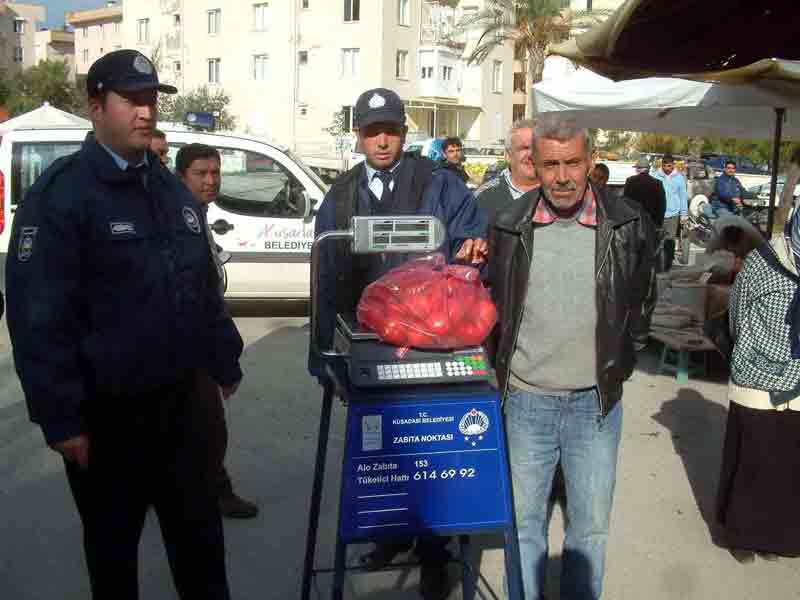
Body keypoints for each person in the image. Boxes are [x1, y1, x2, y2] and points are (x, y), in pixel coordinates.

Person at [4, 50, 243, 599]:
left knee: (202, 547)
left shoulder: (166, 187)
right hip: (107, 420)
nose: (146, 112)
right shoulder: (61, 196)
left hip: (181, 411)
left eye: (152, 100)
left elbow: (200, 284)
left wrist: (223, 355)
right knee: (114, 557)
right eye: (132, 100)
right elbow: (38, 317)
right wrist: (61, 419)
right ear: (96, 106)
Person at [308, 87, 487, 600]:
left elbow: (471, 242)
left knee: (428, 451)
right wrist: (323, 357)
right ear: (359, 136)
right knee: (378, 452)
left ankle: (434, 554)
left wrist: (471, 252)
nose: (381, 141)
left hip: (428, 345)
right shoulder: (339, 196)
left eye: (390, 130)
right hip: (367, 348)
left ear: (404, 134)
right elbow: (324, 280)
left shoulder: (441, 184)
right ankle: (388, 536)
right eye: (371, 131)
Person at [487, 114, 655, 600]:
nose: (562, 177)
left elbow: (644, 298)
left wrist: (620, 363)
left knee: (589, 533)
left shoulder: (627, 223)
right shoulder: (508, 225)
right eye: (551, 165)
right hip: (525, 404)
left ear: (591, 163)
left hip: (594, 407)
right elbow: (494, 304)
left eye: (573, 164)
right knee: (522, 528)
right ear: (533, 166)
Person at [175, 143, 259, 519]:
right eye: (201, 174)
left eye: (215, 173)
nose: (210, 181)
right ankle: (210, 494)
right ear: (182, 176)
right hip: (189, 344)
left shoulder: (197, 213)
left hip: (203, 341)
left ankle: (208, 489)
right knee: (208, 427)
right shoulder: (178, 217)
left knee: (204, 428)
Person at [717, 189, 800, 564]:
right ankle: (743, 536)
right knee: (753, 458)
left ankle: (781, 537)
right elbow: (736, 311)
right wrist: (751, 349)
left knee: (787, 461)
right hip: (758, 378)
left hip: (796, 382)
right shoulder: (763, 262)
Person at [474, 119, 539, 220]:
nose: (531, 154)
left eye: (537, 148)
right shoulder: (484, 197)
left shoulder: (558, 193)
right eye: (524, 148)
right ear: (508, 155)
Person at [653, 154, 689, 269]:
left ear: (673, 165)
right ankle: (657, 262)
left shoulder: (679, 178)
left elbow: (683, 197)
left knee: (670, 240)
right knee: (658, 239)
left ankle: (668, 263)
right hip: (659, 213)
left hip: (673, 214)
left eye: (669, 166)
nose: (667, 168)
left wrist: (684, 214)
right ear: (662, 165)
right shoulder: (655, 176)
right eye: (665, 166)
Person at [624, 157, 667, 229]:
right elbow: (662, 206)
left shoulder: (630, 181)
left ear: (638, 169)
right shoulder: (657, 183)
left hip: (634, 224)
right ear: (649, 169)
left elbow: (625, 203)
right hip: (652, 224)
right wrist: (659, 224)